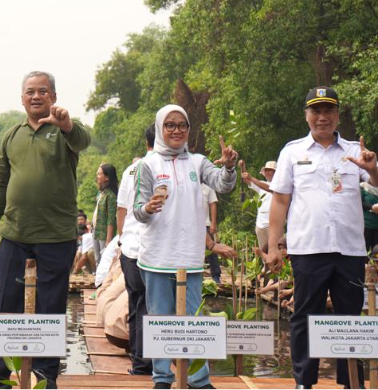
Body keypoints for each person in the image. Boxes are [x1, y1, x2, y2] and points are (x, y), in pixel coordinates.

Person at [0, 71, 90, 390]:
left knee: (50, 305)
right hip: (14, 233)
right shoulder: (11, 135)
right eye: (30, 92)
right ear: (22, 98)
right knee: (6, 301)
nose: (36, 96)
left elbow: (83, 141)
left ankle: (45, 374)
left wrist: (66, 124)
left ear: (53, 97)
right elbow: (1, 183)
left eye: (43, 91)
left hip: (57, 235)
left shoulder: (64, 131)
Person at [264, 86, 377, 389]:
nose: (322, 117)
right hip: (308, 248)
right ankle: (304, 381)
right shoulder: (292, 152)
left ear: (338, 114)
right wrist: (274, 246)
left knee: (350, 317)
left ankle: (352, 381)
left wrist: (373, 171)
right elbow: (280, 201)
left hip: (350, 249)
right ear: (306, 115)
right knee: (305, 315)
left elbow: (377, 185)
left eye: (329, 110)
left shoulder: (356, 151)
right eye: (316, 110)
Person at [133, 104, 238, 390]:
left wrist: (228, 166)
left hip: (190, 257)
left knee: (194, 319)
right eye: (170, 125)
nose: (177, 130)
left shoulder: (199, 162)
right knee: (160, 319)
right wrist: (149, 207)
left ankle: (198, 379)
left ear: (189, 129)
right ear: (160, 129)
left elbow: (223, 185)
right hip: (156, 255)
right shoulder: (148, 164)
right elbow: (137, 211)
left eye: (182, 125)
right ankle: (162, 379)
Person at [116, 124, 154, 375]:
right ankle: (154, 362)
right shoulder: (163, 169)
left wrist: (121, 240)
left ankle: (140, 362)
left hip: (130, 248)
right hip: (154, 250)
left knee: (136, 305)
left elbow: (121, 210)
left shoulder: (131, 169)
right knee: (155, 307)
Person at [240, 160, 276, 251]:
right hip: (260, 225)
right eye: (266, 170)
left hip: (273, 225)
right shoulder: (261, 184)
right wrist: (242, 166)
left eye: (270, 170)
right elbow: (246, 179)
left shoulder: (278, 186)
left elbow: (268, 188)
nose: (268, 172)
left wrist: (251, 177)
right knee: (264, 253)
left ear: (276, 172)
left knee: (275, 252)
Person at [92, 163, 118, 264]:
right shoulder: (101, 193)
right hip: (95, 230)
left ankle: (103, 280)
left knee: (104, 259)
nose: (97, 176)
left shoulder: (111, 195)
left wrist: (108, 239)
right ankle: (98, 280)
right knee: (97, 258)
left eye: (99, 174)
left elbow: (111, 219)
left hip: (104, 233)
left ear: (107, 177)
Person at [202, 184, 222, 283]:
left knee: (211, 251)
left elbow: (213, 204)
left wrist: (213, 223)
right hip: (190, 225)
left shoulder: (208, 187)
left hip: (205, 224)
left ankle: (216, 275)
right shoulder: (186, 184)